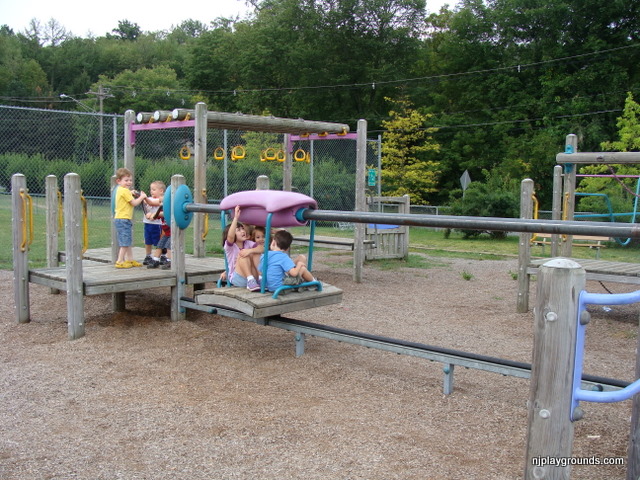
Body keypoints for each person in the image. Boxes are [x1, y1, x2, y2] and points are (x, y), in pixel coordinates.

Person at [113, 167, 147, 268]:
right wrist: (142, 197)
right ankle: (120, 261)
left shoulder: (120, 190)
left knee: (127, 240)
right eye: (126, 180)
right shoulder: (125, 191)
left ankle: (130, 259)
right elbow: (134, 203)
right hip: (123, 219)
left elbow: (126, 194)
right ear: (118, 181)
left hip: (121, 219)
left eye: (130, 180)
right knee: (125, 242)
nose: (129, 182)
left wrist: (131, 192)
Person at [222, 205, 260, 290]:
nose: (243, 231)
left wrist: (251, 251)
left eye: (242, 229)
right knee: (243, 254)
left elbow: (262, 248)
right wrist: (236, 218)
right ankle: (250, 280)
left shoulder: (248, 243)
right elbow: (230, 237)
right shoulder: (230, 247)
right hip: (238, 278)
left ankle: (260, 278)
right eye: (238, 230)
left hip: (254, 277)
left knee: (255, 252)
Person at [142, 180, 165, 265]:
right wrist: (140, 197)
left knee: (159, 241)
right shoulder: (149, 198)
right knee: (147, 240)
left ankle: (162, 256)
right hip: (148, 223)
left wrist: (144, 198)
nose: (151, 191)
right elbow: (144, 202)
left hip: (157, 225)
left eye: (154, 189)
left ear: (161, 191)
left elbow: (151, 203)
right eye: (151, 189)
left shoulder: (161, 200)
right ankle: (148, 256)